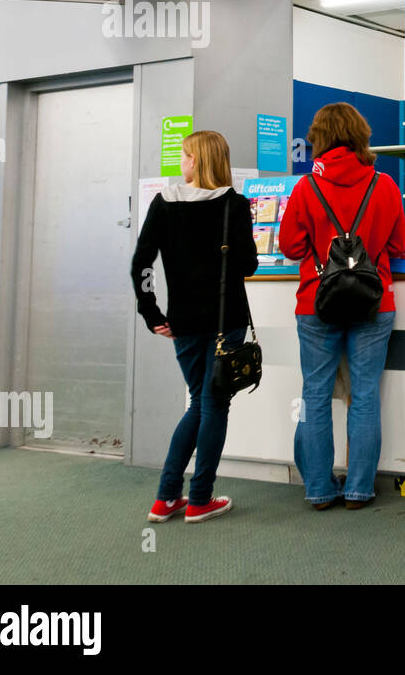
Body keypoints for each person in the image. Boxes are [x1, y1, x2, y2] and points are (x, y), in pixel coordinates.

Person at [279, 103, 405, 511]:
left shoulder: (305, 188)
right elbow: (399, 245)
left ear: (320, 138)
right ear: (359, 135)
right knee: (365, 395)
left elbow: (290, 246)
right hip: (374, 302)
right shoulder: (384, 184)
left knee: (315, 395)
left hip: (317, 302)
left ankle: (318, 489)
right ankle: (358, 490)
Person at [132, 130, 257, 524]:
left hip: (182, 321)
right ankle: (199, 498)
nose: (181, 162)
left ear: (198, 161)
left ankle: (167, 497)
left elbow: (142, 264)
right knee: (213, 403)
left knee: (199, 401)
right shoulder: (234, 205)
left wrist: (151, 313)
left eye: (186, 155)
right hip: (226, 320)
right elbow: (248, 265)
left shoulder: (163, 204)